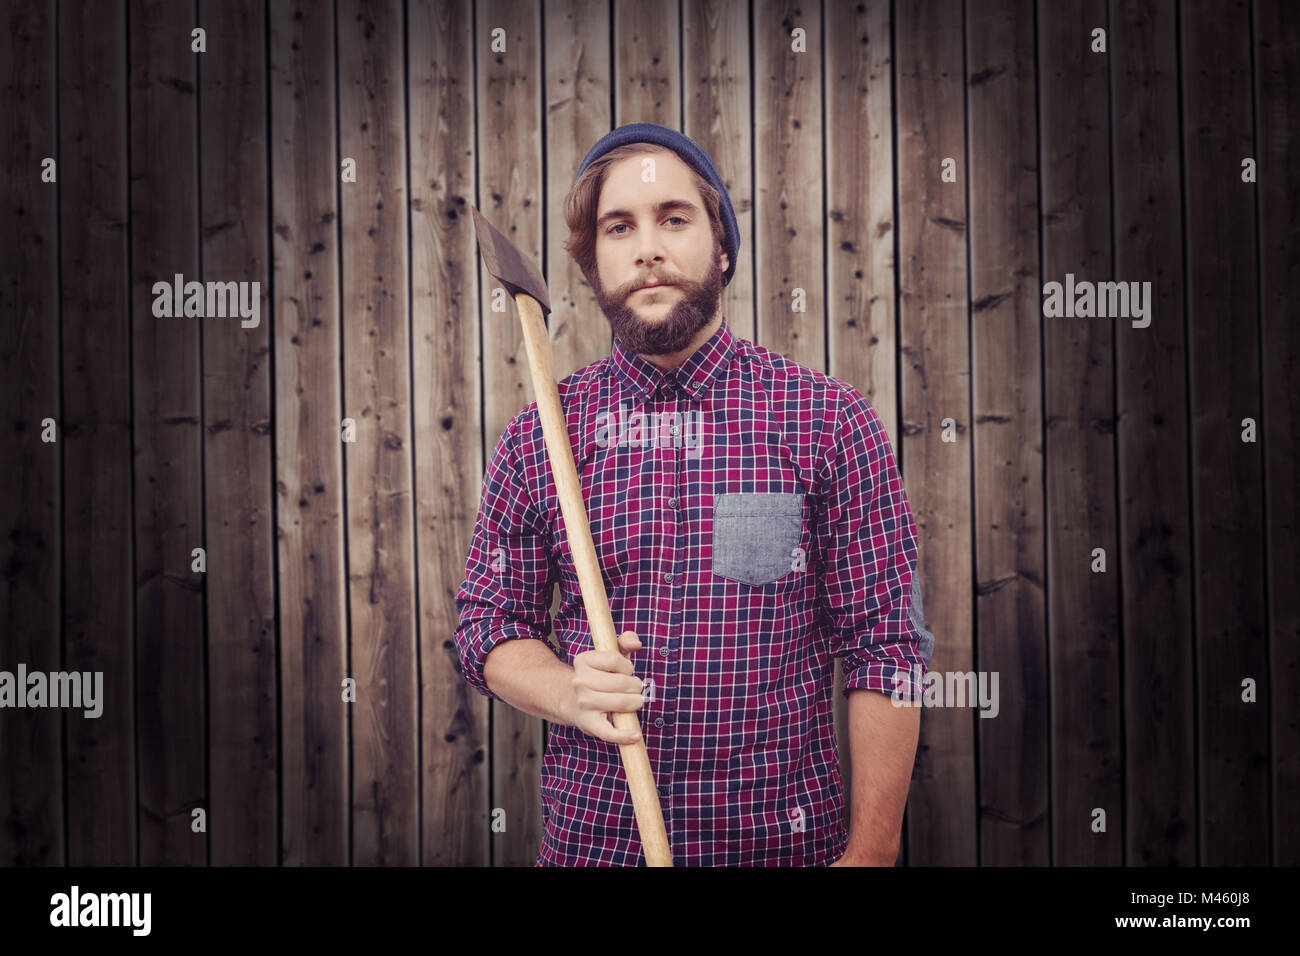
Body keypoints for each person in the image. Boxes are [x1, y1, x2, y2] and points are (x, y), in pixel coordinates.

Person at [453, 122, 935, 866]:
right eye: (620, 227)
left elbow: (886, 647)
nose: (647, 247)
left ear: (721, 246)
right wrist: (567, 691)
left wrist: (870, 853)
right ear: (591, 266)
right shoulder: (541, 436)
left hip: (781, 848)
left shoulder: (827, 422)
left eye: (673, 218)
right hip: (595, 847)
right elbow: (489, 624)